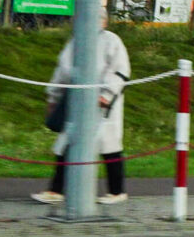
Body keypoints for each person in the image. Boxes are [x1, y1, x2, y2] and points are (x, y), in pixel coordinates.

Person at [31, 15, 131, 205]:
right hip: (76, 101)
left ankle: (117, 191)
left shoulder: (112, 41)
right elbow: (62, 71)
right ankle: (56, 190)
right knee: (67, 143)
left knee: (109, 147)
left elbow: (120, 70)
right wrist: (53, 97)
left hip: (101, 104)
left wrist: (107, 95)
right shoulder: (75, 42)